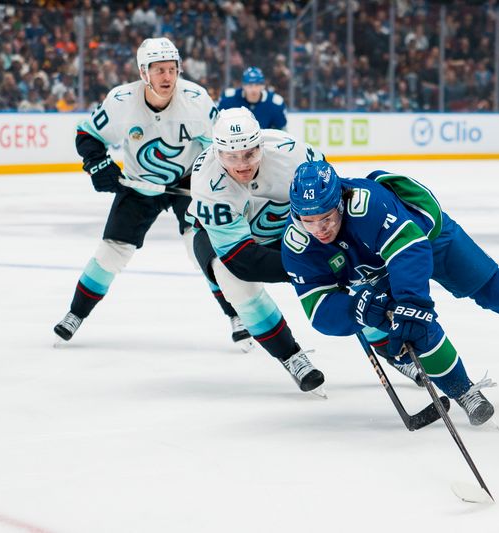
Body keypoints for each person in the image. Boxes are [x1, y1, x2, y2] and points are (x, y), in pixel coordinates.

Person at [282, 161, 499, 425]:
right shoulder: (297, 244)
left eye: (327, 218)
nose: (319, 229)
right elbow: (319, 310)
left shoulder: (368, 204)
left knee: (491, 288)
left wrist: (412, 302)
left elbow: (409, 251)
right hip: (375, 273)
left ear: (341, 204)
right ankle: (464, 391)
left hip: (428, 239)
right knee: (413, 328)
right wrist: (357, 310)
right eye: (309, 221)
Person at [53, 37, 254, 351]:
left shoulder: (196, 100)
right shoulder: (121, 101)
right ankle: (75, 314)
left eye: (172, 69)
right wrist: (97, 163)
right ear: (143, 72)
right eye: (158, 69)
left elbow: (219, 147)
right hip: (138, 184)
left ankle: (236, 315)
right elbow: (87, 133)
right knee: (111, 252)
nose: (167, 77)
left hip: (188, 182)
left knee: (203, 252)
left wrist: (215, 184)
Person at [186, 107, 324, 394]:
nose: (241, 165)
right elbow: (243, 260)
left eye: (249, 153)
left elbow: (331, 202)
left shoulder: (295, 154)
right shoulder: (207, 182)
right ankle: (291, 356)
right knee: (233, 282)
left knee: (350, 265)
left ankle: (390, 346)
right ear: (216, 152)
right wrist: (309, 269)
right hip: (225, 239)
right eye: (230, 157)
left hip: (287, 228)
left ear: (261, 145)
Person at [217, 67, 287, 130]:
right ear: (243, 86)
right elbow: (217, 124)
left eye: (257, 85)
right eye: (250, 85)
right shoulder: (229, 99)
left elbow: (282, 132)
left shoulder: (275, 103)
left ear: (263, 86)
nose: (253, 89)